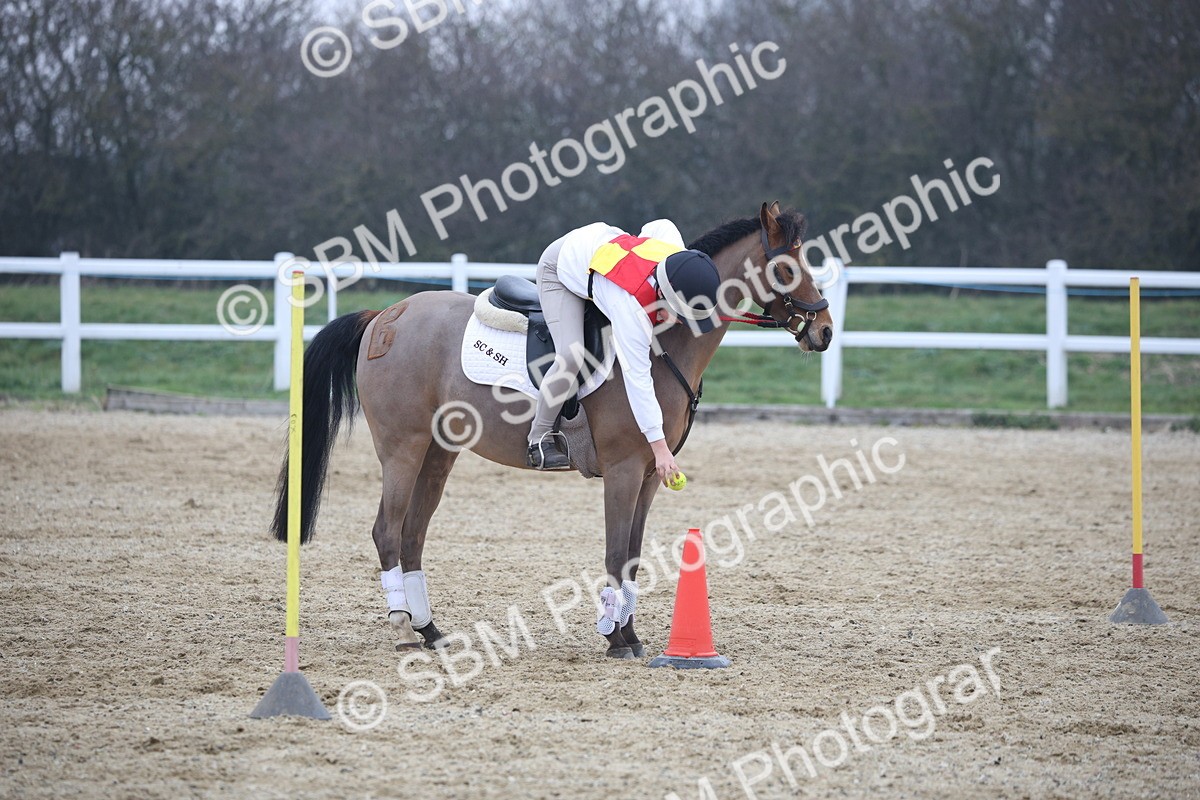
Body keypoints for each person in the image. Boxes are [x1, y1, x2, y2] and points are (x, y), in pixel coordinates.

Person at [526, 218, 721, 484]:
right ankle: (539, 437)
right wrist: (661, 450)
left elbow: (659, 224)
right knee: (572, 355)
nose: (678, 323)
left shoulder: (674, 253)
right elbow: (638, 379)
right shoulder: (631, 310)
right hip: (558, 267)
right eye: (679, 316)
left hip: (599, 243)